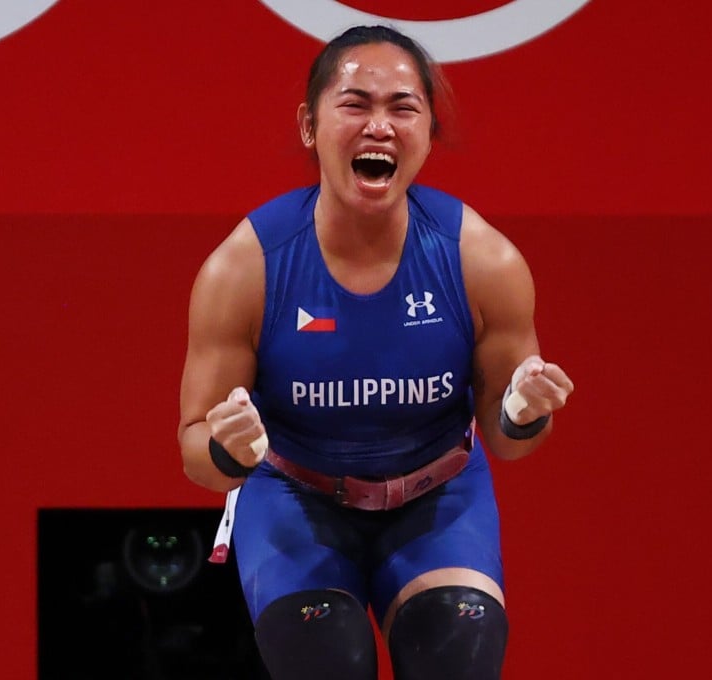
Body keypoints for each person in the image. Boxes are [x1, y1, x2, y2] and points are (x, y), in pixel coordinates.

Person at [177, 24, 574, 680]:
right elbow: (198, 455)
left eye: (403, 108)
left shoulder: (484, 262)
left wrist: (521, 415)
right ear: (309, 126)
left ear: (428, 132)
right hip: (294, 501)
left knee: (457, 653)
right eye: (355, 105)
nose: (380, 127)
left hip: (440, 502)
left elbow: (510, 443)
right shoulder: (243, 270)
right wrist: (228, 449)